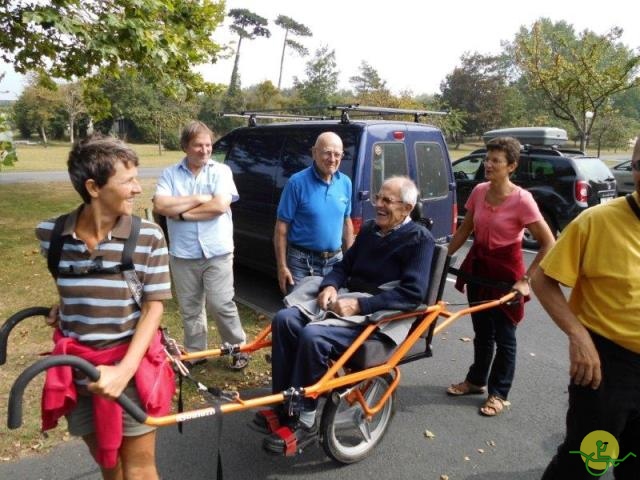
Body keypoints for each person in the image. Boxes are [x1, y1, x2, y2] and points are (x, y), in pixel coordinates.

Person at [259, 176, 435, 454]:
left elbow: (413, 294)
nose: (378, 204)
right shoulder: (368, 230)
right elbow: (344, 266)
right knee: (284, 320)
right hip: (348, 298)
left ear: (407, 207)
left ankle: (304, 420)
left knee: (313, 335)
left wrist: (360, 306)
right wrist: (330, 285)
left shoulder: (419, 239)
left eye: (387, 200)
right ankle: (284, 404)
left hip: (381, 312)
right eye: (378, 197)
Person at [36, 134, 174, 480]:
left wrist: (123, 372)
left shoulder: (148, 237)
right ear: (94, 188)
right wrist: (65, 306)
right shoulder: (50, 235)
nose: (137, 189)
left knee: (139, 469)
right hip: (78, 372)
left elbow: (153, 309)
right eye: (127, 181)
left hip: (130, 371)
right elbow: (69, 283)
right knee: (109, 466)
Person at [532, 136, 640, 479]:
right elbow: (542, 280)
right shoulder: (596, 222)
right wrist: (578, 335)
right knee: (586, 461)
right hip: (607, 367)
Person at [446, 136, 555, 416]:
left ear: (511, 166)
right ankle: (476, 381)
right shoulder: (480, 191)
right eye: (487, 158)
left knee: (505, 336)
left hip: (508, 272)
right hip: (479, 268)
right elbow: (465, 230)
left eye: (496, 160)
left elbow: (548, 242)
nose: (488, 164)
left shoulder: (522, 199)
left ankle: (498, 393)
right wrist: (441, 257)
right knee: (482, 332)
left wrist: (526, 279)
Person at [153, 121, 248, 369]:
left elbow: (219, 206)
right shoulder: (170, 174)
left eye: (208, 145)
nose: (205, 150)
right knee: (190, 308)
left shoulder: (221, 171)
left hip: (217, 252)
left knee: (221, 304)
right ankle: (196, 353)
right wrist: (197, 199)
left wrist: (182, 213)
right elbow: (160, 206)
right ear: (185, 146)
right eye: (198, 145)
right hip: (183, 254)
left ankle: (238, 348)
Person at [274, 131, 354, 294]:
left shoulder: (345, 183)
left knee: (330, 314)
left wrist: (351, 262)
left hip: (335, 263)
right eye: (327, 153)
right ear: (314, 152)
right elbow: (281, 228)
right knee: (298, 313)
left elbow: (347, 223)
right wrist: (282, 266)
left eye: (337, 154)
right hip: (301, 263)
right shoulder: (296, 183)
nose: (332, 159)